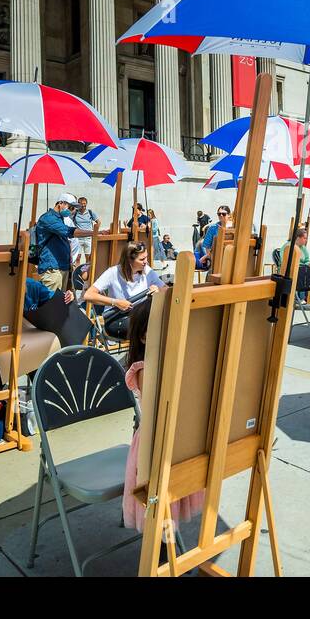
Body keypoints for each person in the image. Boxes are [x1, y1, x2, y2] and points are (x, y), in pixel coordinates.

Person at [120, 298, 204, 533]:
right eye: (164, 328)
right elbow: (157, 410)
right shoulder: (145, 369)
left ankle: (167, 548)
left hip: (175, 441)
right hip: (154, 445)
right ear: (144, 336)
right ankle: (158, 557)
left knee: (173, 502)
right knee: (158, 507)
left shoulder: (171, 362)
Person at [83, 241, 165, 313]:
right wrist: (115, 302)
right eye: (142, 259)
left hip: (139, 316)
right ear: (129, 260)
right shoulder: (113, 272)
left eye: (146, 257)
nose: (146, 261)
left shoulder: (147, 270)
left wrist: (158, 291)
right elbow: (88, 295)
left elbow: (166, 289)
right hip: (118, 318)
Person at [35, 192, 80, 291]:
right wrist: (93, 232)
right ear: (61, 203)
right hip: (52, 269)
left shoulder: (60, 219)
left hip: (61, 267)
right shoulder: (48, 218)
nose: (72, 211)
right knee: (50, 303)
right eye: (71, 207)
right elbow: (69, 231)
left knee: (59, 303)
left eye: (74, 209)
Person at [195, 206, 231, 271]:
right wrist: (209, 257)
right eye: (219, 214)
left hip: (230, 259)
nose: (221, 215)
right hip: (216, 260)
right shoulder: (212, 228)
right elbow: (207, 246)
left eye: (223, 214)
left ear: (229, 215)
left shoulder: (234, 228)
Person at [72, 197, 97, 266]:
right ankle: (76, 273)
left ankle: (86, 273)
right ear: (78, 204)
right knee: (77, 258)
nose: (83, 205)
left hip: (88, 238)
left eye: (84, 203)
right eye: (81, 203)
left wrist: (94, 231)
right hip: (78, 238)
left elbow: (98, 222)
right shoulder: (75, 213)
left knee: (88, 258)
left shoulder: (90, 212)